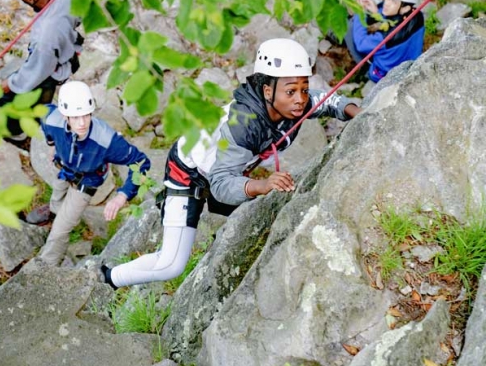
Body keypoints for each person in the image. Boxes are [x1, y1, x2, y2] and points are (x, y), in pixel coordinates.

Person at [102, 38, 362, 288]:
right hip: (188, 173)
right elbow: (221, 185)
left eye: (303, 89)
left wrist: (359, 113)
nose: (300, 99)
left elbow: (325, 101)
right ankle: (110, 277)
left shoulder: (291, 104)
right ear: (267, 90)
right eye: (291, 91)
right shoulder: (244, 125)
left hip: (228, 169)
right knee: (170, 264)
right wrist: (261, 185)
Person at [31, 81, 150, 266]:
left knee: (59, 232)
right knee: (57, 194)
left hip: (86, 182)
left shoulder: (106, 140)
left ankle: (45, 270)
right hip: (64, 168)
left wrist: (122, 195)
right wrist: (52, 145)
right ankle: (54, 210)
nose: (82, 123)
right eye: (75, 117)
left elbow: (141, 162)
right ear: (65, 116)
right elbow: (43, 120)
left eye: (86, 116)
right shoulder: (51, 117)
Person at [0, 0, 84, 151]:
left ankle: (17, 133)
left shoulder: (45, 36)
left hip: (52, 68)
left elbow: (37, 71)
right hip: (66, 55)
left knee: (8, 100)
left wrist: (10, 84)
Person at [344, 0, 424, 83]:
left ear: (405, 8)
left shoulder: (386, 37)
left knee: (349, 26)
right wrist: (377, 13)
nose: (387, 3)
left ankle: (365, 72)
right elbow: (395, 20)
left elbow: (362, 44)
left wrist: (360, 13)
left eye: (394, 2)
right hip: (405, 66)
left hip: (382, 75)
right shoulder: (417, 16)